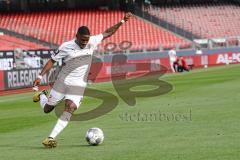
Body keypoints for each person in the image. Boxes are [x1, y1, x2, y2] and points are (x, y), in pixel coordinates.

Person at [32, 12, 133, 148]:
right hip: (62, 82)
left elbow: (108, 33)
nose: (85, 42)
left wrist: (122, 21)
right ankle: (43, 95)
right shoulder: (65, 46)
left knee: (71, 106)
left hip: (78, 84)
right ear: (76, 37)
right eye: (82, 40)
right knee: (47, 109)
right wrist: (40, 76)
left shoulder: (92, 41)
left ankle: (50, 138)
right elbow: (51, 61)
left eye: (87, 40)